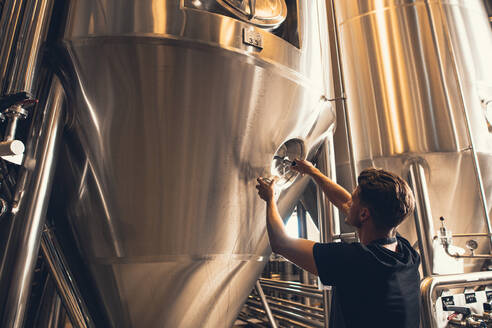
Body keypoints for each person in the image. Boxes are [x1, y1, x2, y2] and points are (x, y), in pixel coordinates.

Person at [255, 159, 420, 328]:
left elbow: (281, 243)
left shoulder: (356, 260)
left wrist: (270, 199)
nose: (349, 202)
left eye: (354, 198)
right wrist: (313, 172)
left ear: (364, 214)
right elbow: (346, 202)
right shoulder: (407, 254)